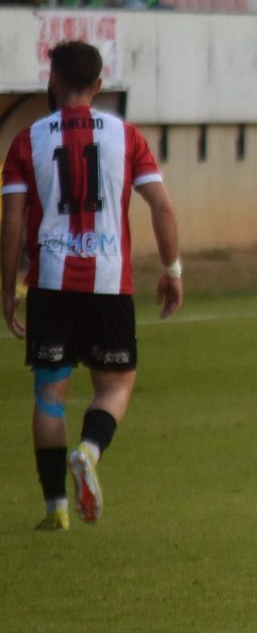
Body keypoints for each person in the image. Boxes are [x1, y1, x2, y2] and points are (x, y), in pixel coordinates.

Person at [2, 41, 184, 530]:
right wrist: (172, 271)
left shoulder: (26, 141)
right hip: (108, 283)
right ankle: (90, 449)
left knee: (49, 394)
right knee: (116, 384)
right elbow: (162, 207)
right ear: (99, 85)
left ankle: (55, 508)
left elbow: (13, 220)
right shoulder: (127, 137)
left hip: (49, 284)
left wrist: (7, 289)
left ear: (52, 80)